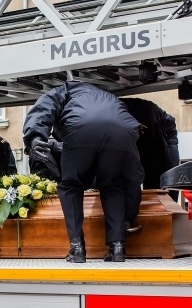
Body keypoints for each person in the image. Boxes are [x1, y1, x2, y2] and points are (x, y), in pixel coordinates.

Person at [23, 81, 144, 263]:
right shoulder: (110, 98)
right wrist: (129, 216)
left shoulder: (64, 89)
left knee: (70, 186)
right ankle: (117, 247)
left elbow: (44, 108)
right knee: (112, 185)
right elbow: (133, 175)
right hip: (123, 130)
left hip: (81, 125)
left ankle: (77, 248)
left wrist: (35, 136)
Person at [120, 97, 179, 192]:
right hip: (139, 128)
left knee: (166, 182)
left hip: (163, 129)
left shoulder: (144, 117)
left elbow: (155, 162)